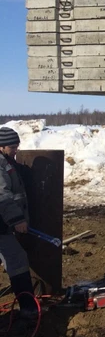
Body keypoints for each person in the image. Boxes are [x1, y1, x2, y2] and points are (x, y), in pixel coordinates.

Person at [0, 127, 38, 319]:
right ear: (1, 147)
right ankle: (29, 309)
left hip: (2, 224)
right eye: (13, 147)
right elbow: (3, 195)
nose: (16, 150)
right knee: (17, 260)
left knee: (16, 259)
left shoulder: (6, 162)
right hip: (3, 224)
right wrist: (16, 219)